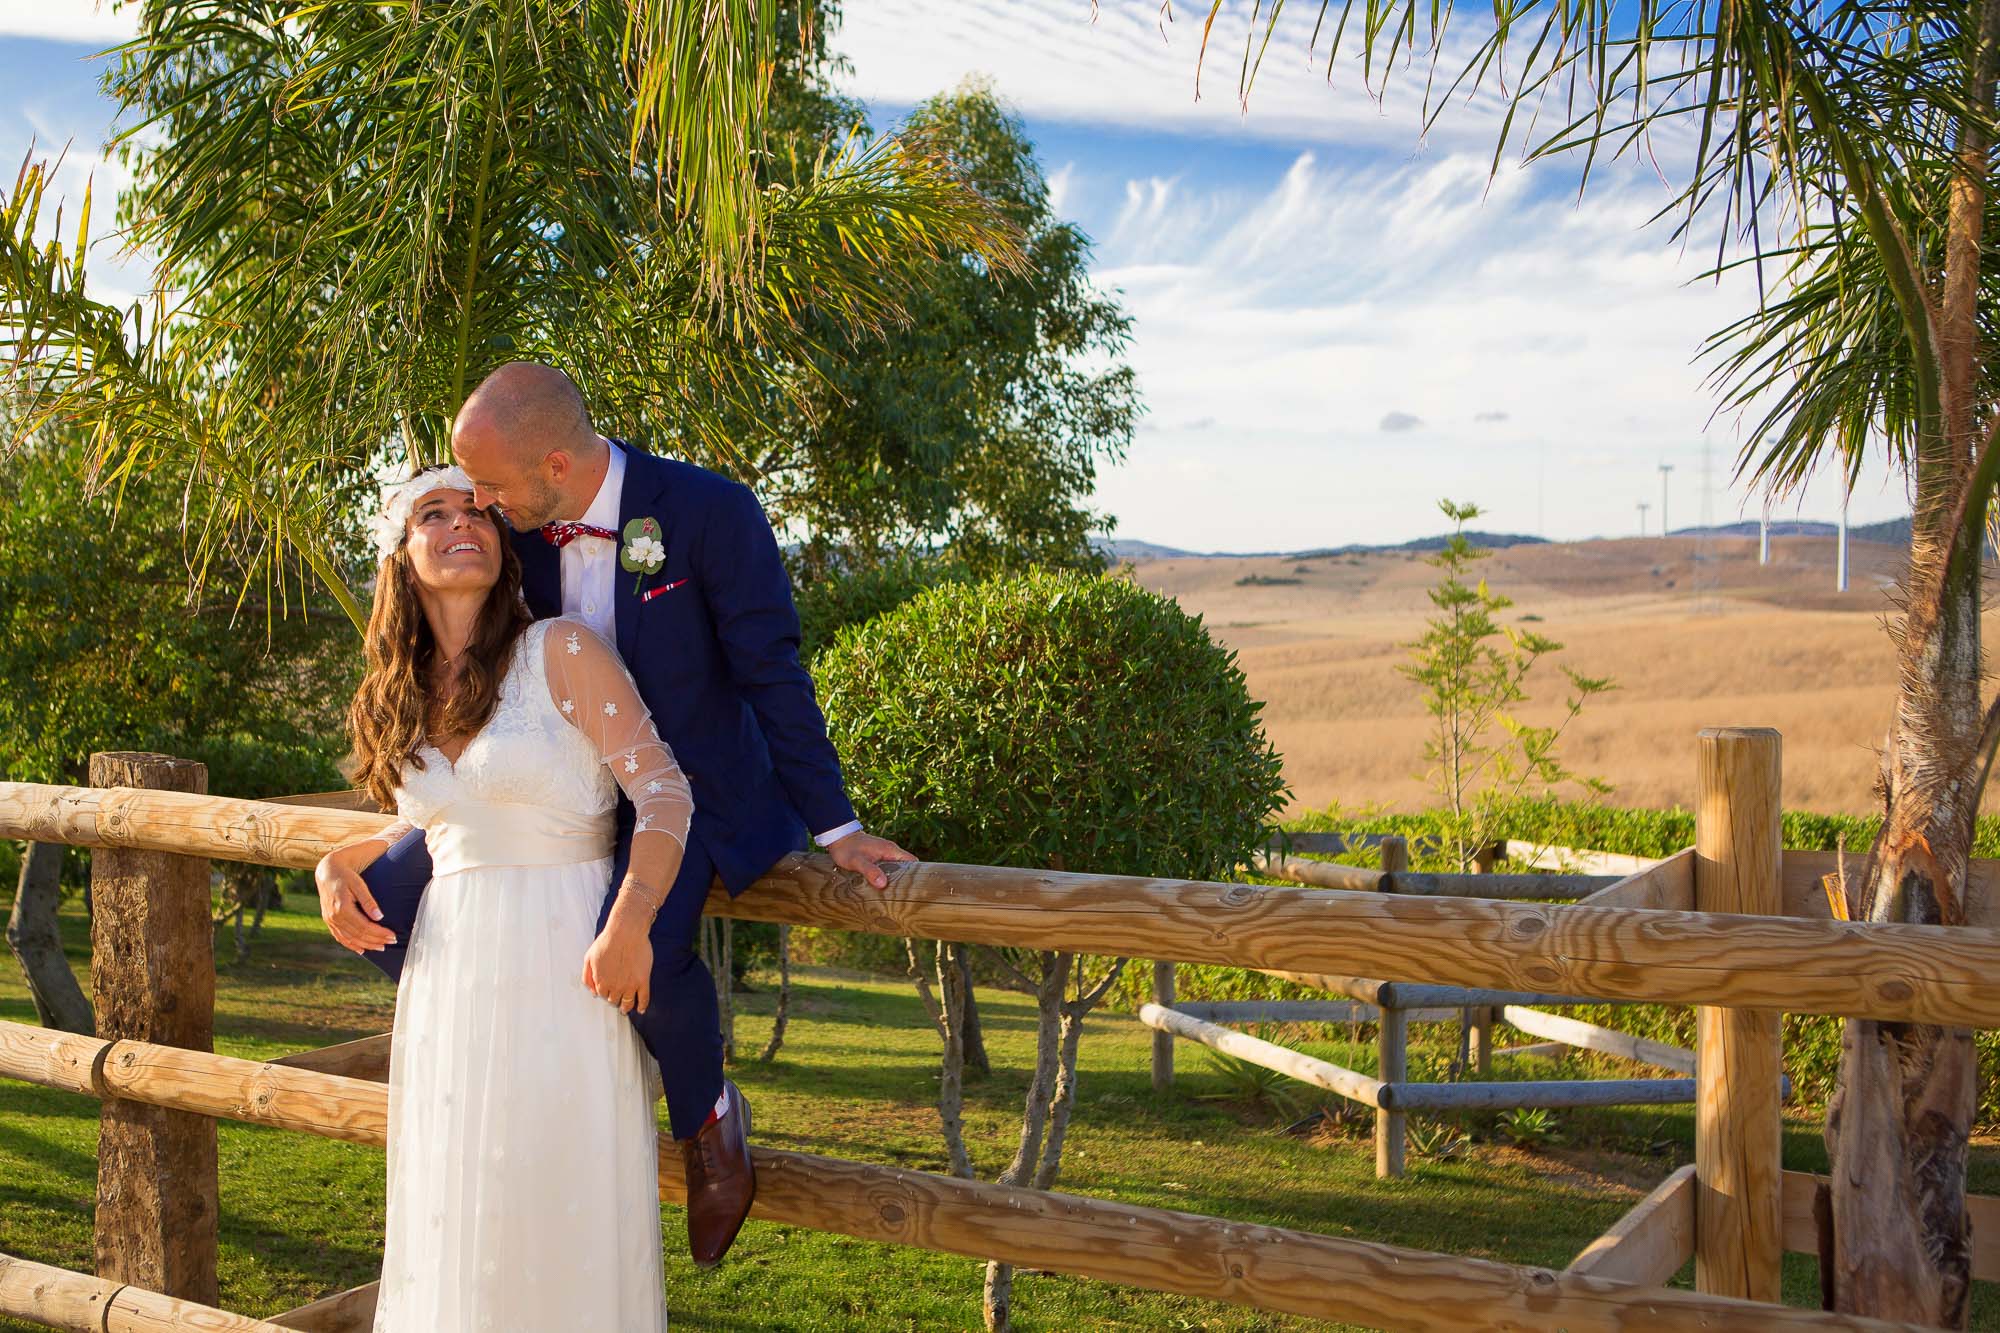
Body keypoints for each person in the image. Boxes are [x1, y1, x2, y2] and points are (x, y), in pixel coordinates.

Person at [321, 362, 916, 1268]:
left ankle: (708, 1119)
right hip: (563, 790)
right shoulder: (522, 531)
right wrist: (343, 855)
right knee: (393, 905)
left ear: (554, 465)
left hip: (693, 792)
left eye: (488, 490)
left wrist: (837, 827)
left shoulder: (711, 512)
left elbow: (773, 674)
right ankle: (525, 1041)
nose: (479, 508)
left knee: (646, 943)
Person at [316, 468, 688, 1328]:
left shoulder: (562, 650)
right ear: (401, 555)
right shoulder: (398, 693)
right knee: (459, 1207)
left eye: (477, 512)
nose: (463, 524)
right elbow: (436, 819)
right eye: (434, 514)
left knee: (560, 1201)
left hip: (568, 966)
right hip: (450, 982)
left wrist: (631, 921)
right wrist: (337, 863)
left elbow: (665, 792)